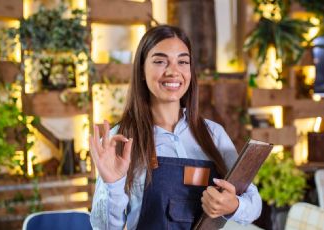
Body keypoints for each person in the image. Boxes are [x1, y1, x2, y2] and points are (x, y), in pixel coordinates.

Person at [89, 25, 262, 230]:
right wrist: (112, 184)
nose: (173, 71)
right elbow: (104, 228)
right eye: (160, 61)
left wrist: (234, 206)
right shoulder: (120, 139)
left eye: (182, 61)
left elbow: (253, 202)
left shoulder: (213, 135)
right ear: (142, 70)